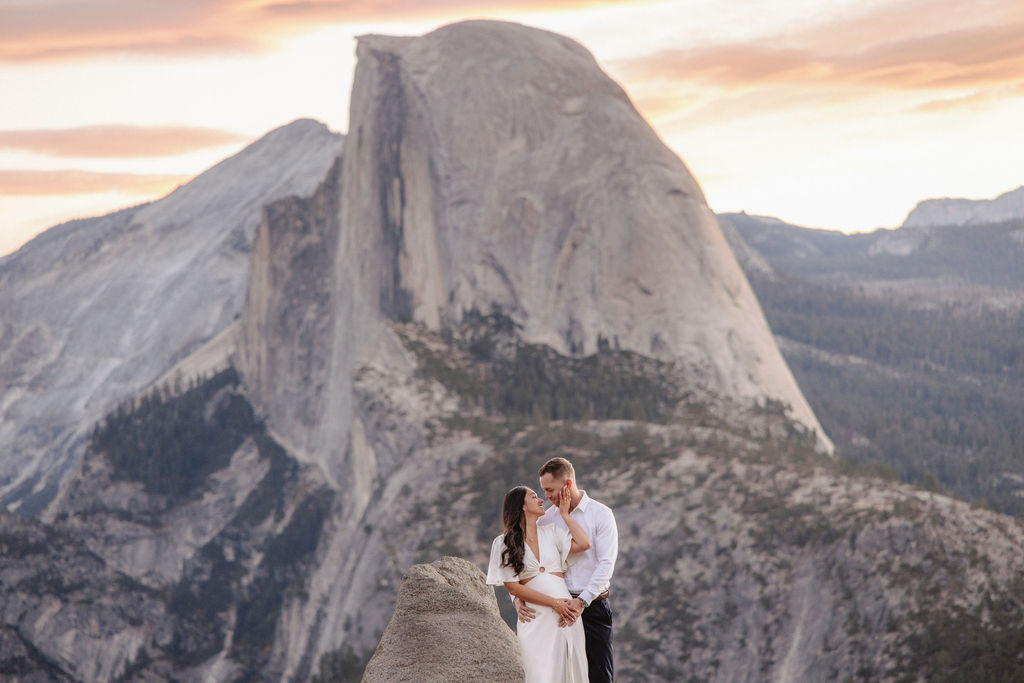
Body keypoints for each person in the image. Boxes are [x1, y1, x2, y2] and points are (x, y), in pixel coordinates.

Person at [515, 457, 618, 683]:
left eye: (550, 489)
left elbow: (606, 563)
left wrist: (581, 602)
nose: (546, 496)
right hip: (556, 610)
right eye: (543, 490)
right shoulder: (545, 519)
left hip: (592, 607)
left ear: (568, 485)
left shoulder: (601, 514)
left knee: (600, 676)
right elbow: (523, 559)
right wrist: (516, 597)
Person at [487, 484, 592, 682]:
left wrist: (565, 515)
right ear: (522, 506)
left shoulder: (551, 533)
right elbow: (513, 586)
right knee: (540, 673)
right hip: (537, 617)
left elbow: (584, 544)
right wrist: (554, 604)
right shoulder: (503, 543)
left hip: (567, 616)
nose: (541, 499)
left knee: (573, 673)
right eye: (534, 497)